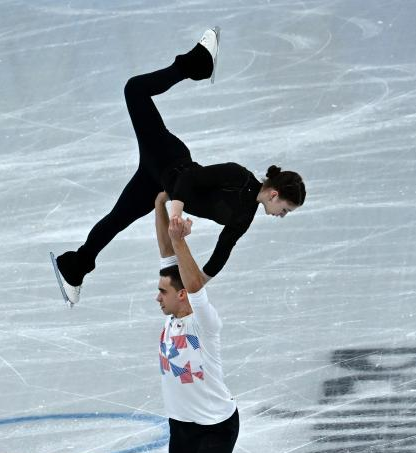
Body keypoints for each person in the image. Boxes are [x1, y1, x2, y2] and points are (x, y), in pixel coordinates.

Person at [53, 28, 306, 305]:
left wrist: (197, 285)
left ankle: (75, 267)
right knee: (134, 89)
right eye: (285, 209)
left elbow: (222, 253)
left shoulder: (245, 217)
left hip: (158, 182)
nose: (281, 215)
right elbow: (189, 180)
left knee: (117, 219)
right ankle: (196, 63)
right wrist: (176, 213)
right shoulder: (238, 176)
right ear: (274, 194)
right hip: (167, 158)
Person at [153, 190, 240, 453]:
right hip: (181, 426)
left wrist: (183, 240)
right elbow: (165, 254)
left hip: (216, 427)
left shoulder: (203, 319)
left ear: (182, 295)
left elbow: (192, 279)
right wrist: (163, 200)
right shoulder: (172, 313)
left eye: (164, 291)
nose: (158, 297)